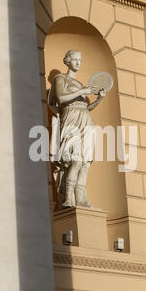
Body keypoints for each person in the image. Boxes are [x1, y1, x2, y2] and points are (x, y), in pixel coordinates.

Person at [48, 50, 106, 208]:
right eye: (74, 59)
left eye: (80, 59)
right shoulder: (60, 78)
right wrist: (82, 92)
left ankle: (80, 197)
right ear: (67, 61)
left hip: (85, 119)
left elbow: (87, 107)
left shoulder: (81, 84)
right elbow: (61, 98)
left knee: (85, 162)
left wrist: (99, 99)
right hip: (71, 119)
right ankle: (68, 197)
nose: (78, 62)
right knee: (75, 160)